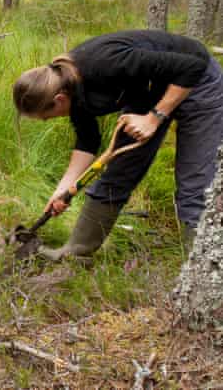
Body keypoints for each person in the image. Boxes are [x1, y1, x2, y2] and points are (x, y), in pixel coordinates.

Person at [13, 29, 223, 260]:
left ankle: (201, 263)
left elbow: (192, 66)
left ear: (58, 100)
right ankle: (75, 254)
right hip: (149, 92)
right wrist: (63, 188)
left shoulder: (103, 63)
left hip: (197, 80)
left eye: (46, 116)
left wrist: (155, 117)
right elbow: (88, 141)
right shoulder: (71, 88)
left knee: (195, 181)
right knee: (118, 172)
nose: (48, 120)